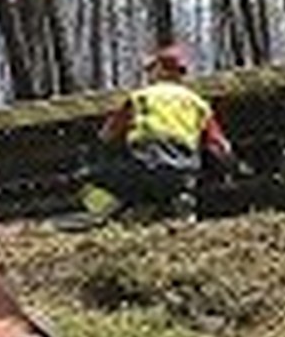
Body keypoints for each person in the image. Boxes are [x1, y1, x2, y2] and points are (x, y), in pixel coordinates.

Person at [86, 43, 238, 221]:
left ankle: (113, 213)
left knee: (90, 178)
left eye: (150, 69)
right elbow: (220, 146)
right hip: (183, 174)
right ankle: (179, 199)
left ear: (159, 70)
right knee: (177, 179)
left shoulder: (141, 97)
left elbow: (107, 135)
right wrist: (226, 171)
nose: (148, 75)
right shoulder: (198, 103)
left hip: (144, 171)